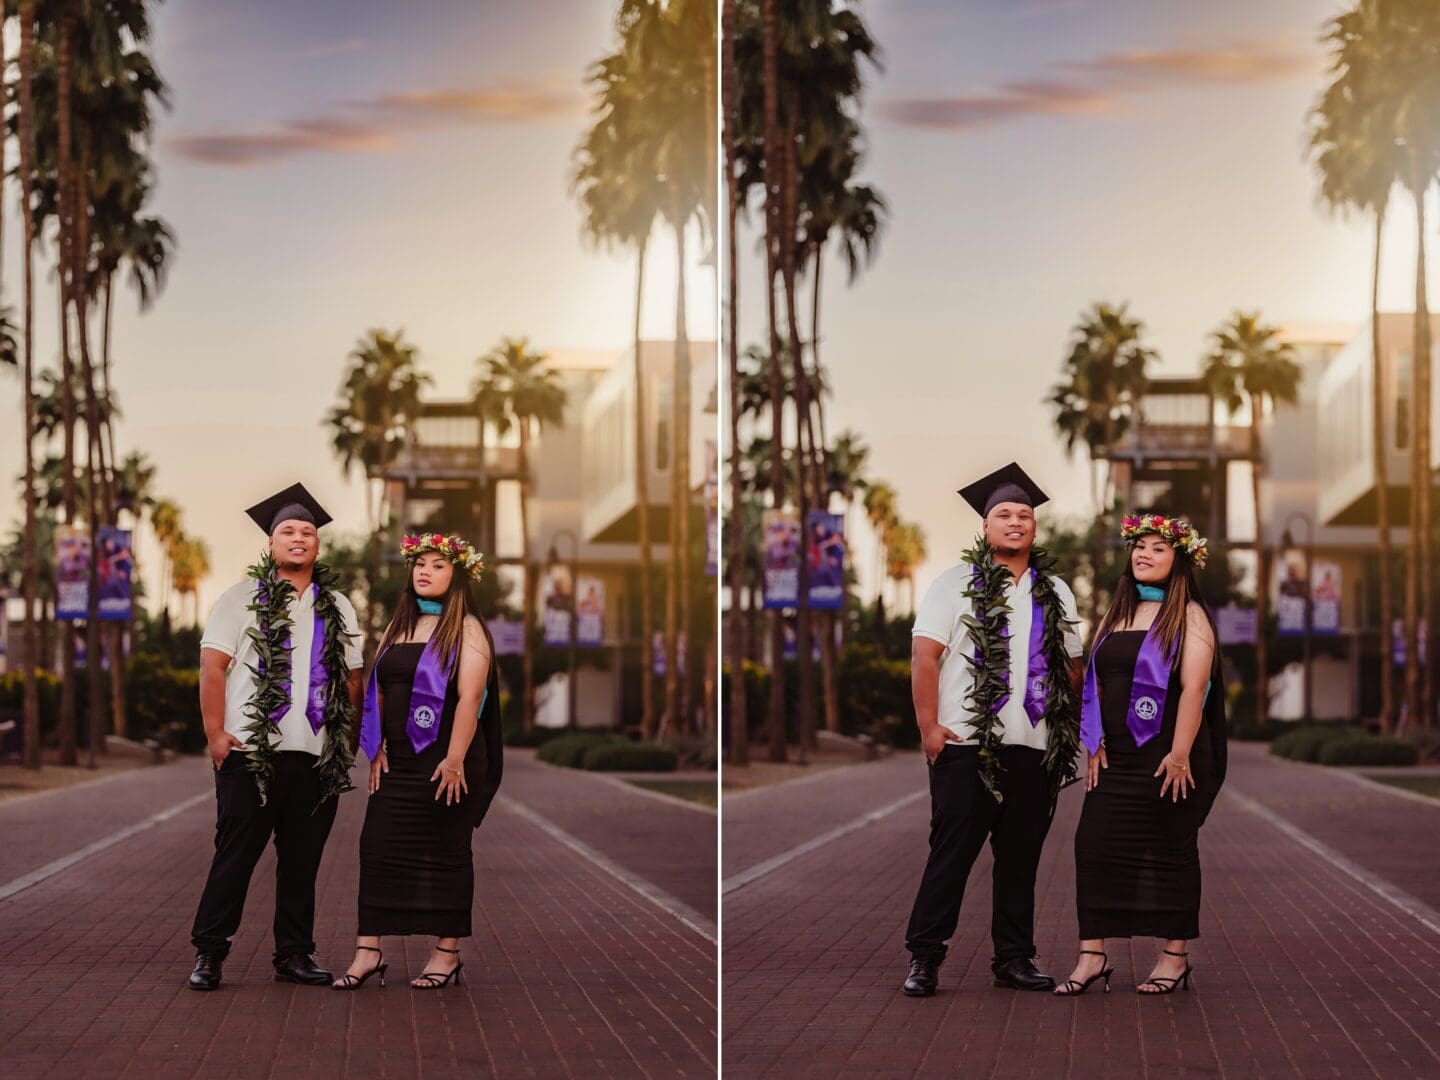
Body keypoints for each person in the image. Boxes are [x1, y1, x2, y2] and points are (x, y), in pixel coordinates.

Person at [901, 462, 1084, 997]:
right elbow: (924, 657)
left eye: (1024, 515)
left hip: (1035, 748)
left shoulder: (1057, 591)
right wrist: (929, 727)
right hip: (966, 747)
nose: (1015, 521)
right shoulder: (953, 584)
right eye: (1004, 513)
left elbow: (1073, 669)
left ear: (1034, 528)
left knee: (1021, 862)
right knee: (951, 856)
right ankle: (924, 957)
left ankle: (1014, 959)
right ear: (985, 526)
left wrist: (1077, 733)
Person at [187, 483, 364, 991]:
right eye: (288, 530)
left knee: (302, 862)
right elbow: (212, 668)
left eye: (308, 532)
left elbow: (352, 679)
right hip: (250, 754)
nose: (299, 538)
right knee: (235, 856)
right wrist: (216, 734)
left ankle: (294, 954)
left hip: (315, 757)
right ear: (270, 543)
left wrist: (345, 743)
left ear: (317, 546)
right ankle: (209, 953)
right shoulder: (240, 599)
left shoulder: (339, 606)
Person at [1054, 513, 1227, 997]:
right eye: (1140, 547)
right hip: (1117, 757)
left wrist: (1179, 754)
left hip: (1168, 756)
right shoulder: (1117, 615)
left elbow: (1195, 688)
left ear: (1180, 560)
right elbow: (1096, 684)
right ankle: (1093, 956)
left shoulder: (1189, 615)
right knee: (1093, 846)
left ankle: (1174, 957)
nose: (1144, 554)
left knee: (1171, 851)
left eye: (1158, 548)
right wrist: (1094, 742)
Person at [331, 532, 503, 991]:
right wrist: (377, 747)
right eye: (420, 563)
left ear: (458, 575)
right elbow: (379, 689)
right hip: (400, 761)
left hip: (449, 760)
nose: (425, 571)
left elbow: (470, 699)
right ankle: (369, 951)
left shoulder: (467, 628)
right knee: (377, 847)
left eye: (438, 565)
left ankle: (447, 954)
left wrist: (454, 759)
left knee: (446, 852)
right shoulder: (398, 626)